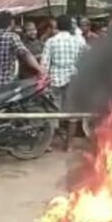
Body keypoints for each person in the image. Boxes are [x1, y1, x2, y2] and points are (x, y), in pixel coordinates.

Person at [43, 14, 88, 150]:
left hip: (55, 79)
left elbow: (44, 64)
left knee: (53, 112)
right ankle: (69, 145)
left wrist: (44, 81)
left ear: (57, 25)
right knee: (72, 113)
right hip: (73, 78)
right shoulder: (78, 41)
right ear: (70, 26)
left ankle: (49, 144)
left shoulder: (51, 42)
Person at [0, 10, 42, 91]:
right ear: (11, 22)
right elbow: (25, 54)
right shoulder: (12, 37)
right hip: (6, 83)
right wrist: (40, 70)